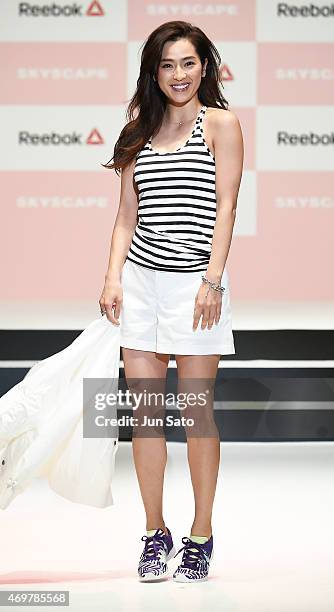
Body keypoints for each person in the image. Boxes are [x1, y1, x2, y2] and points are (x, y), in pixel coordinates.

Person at [100, 20, 243, 583]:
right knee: (147, 418)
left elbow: (226, 207)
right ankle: (154, 532)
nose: (178, 75)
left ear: (204, 66)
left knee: (197, 414)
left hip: (194, 288)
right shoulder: (138, 131)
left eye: (188, 63)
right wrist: (112, 278)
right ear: (153, 72)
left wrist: (212, 280)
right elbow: (125, 217)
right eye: (167, 65)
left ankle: (201, 535)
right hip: (140, 285)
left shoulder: (222, 125)